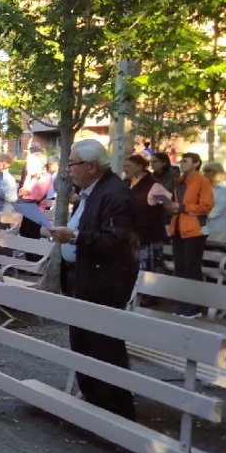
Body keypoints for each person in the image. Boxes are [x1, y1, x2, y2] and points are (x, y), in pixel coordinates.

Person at [48, 139, 139, 420]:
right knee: (83, 343)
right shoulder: (91, 192)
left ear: (91, 166)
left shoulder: (115, 195)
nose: (68, 170)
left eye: (72, 164)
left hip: (103, 284)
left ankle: (116, 412)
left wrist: (75, 236)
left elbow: (118, 243)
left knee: (104, 346)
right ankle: (93, 403)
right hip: (83, 278)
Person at [166, 152, 214, 318]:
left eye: (185, 161)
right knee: (179, 269)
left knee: (191, 269)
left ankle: (194, 307)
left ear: (196, 163)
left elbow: (206, 207)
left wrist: (182, 207)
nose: (182, 163)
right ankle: (182, 305)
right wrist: (171, 207)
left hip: (194, 230)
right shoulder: (179, 181)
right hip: (178, 228)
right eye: (181, 161)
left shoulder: (202, 181)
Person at [123, 153, 170, 274]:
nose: (125, 169)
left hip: (149, 239)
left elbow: (169, 204)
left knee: (148, 275)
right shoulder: (126, 183)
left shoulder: (154, 186)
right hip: (130, 238)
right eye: (124, 166)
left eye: (128, 166)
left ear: (139, 166)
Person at [18, 143, 51, 238]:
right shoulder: (30, 176)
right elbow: (22, 191)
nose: (29, 166)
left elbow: (37, 195)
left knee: (32, 234)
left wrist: (26, 191)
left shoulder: (46, 176)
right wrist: (24, 192)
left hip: (36, 211)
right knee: (23, 233)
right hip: (26, 209)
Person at [203, 162, 226, 235]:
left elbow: (217, 209)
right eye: (204, 171)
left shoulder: (225, 188)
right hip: (205, 226)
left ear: (217, 172)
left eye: (208, 171)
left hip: (218, 227)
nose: (205, 174)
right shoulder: (208, 187)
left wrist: (199, 215)